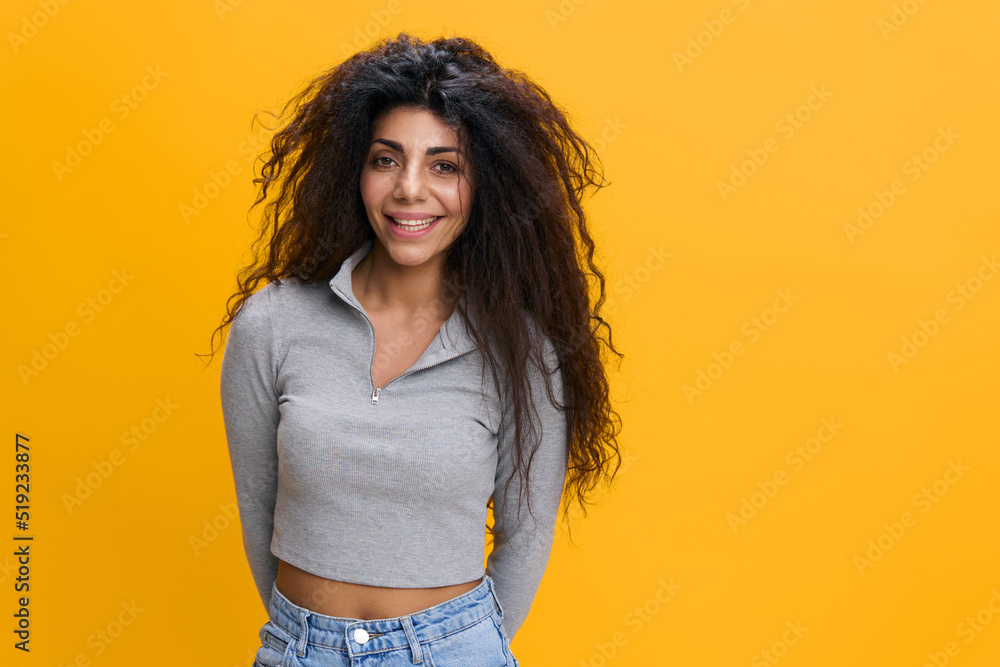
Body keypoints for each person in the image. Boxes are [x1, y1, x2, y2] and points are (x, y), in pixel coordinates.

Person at [208, 32, 623, 665]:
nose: (409, 189)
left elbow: (526, 537)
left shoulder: (521, 350)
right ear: (355, 170)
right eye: (386, 159)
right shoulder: (272, 325)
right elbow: (257, 510)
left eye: (444, 165)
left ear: (484, 185)